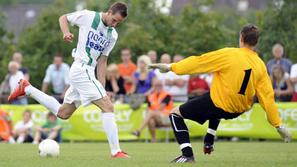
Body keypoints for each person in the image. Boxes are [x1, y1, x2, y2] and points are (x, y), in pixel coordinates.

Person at [150, 24, 291, 163]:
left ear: (241, 38)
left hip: (220, 103)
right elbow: (267, 97)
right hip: (239, 109)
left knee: (175, 114)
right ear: (257, 42)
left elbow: (199, 62)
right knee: (216, 98)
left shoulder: (229, 54)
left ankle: (187, 155)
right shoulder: (260, 65)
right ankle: (209, 141)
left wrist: (171, 67)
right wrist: (278, 125)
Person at [8, 2, 129, 158]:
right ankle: (116, 152)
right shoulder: (89, 16)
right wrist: (66, 33)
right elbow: (63, 18)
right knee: (108, 107)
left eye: (118, 23)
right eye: (114, 20)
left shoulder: (112, 35)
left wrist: (101, 87)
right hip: (80, 69)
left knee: (63, 113)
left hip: (89, 73)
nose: (115, 24)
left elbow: (102, 61)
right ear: (109, 12)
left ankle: (27, 89)